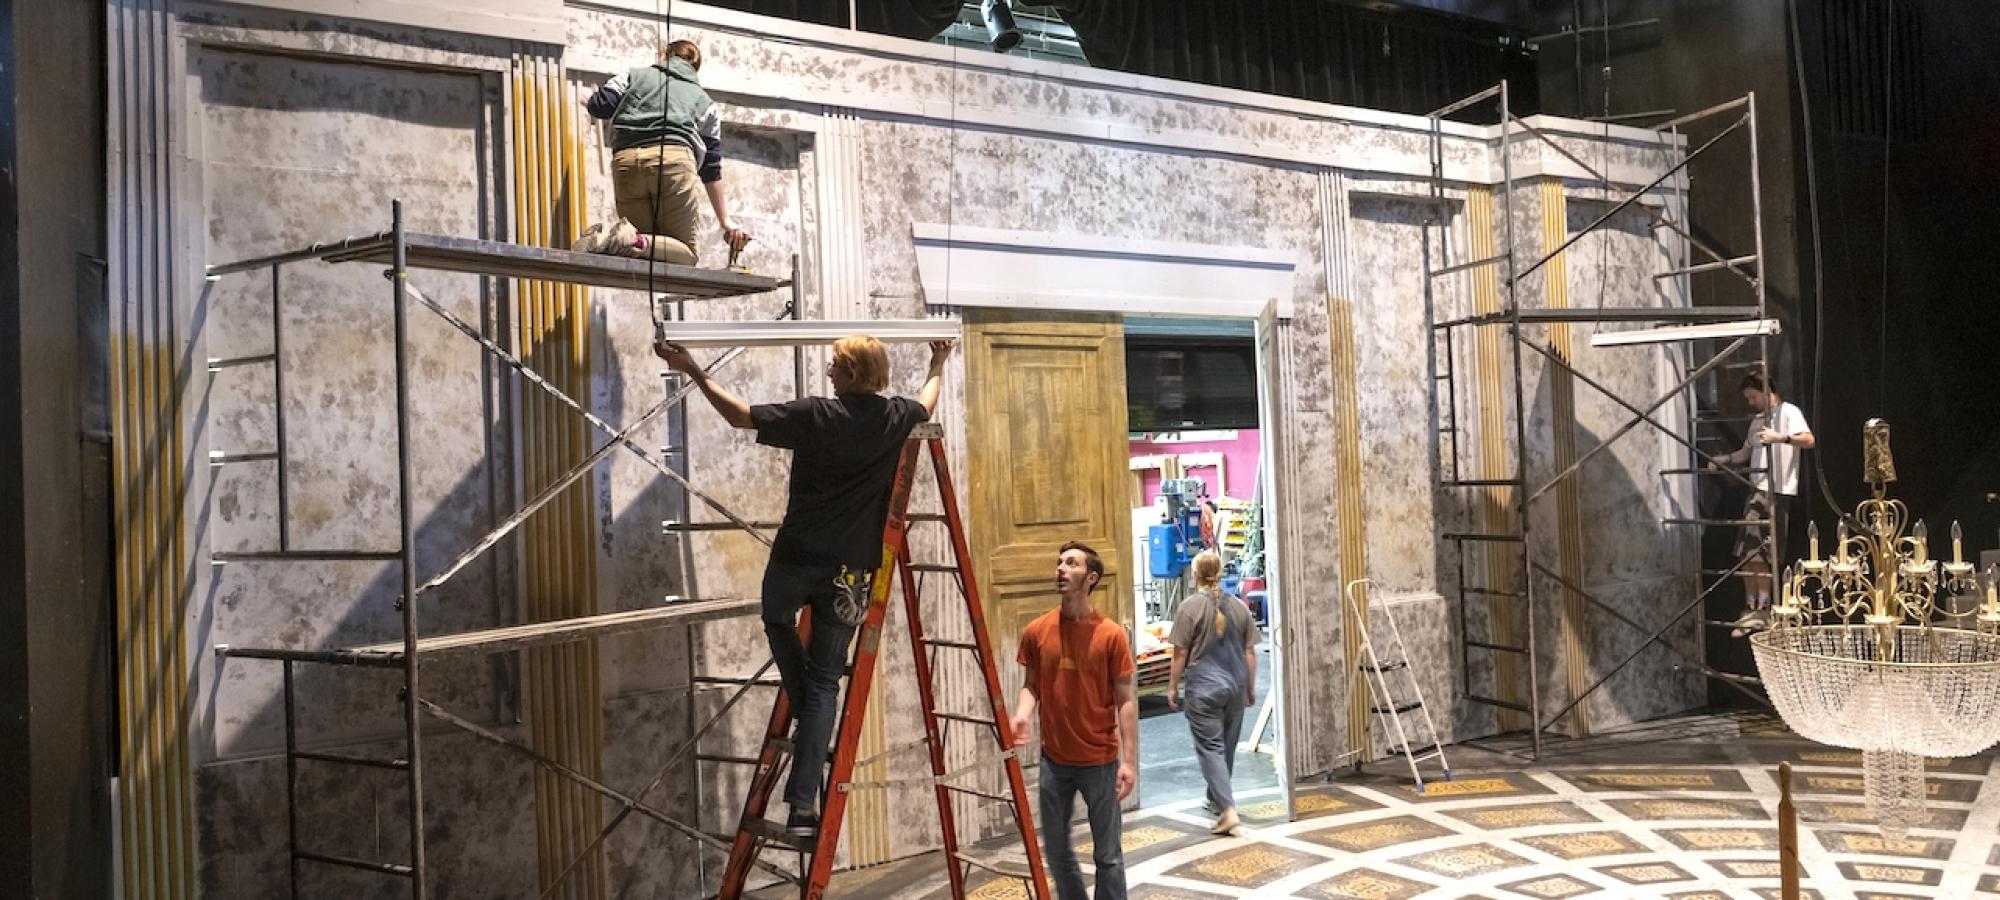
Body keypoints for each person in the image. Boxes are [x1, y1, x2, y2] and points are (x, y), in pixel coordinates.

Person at [656, 333, 955, 838]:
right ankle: (802, 805)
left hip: (798, 559)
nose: (827, 370)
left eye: (835, 364)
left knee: (777, 619)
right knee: (824, 684)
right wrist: (938, 362)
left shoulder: (817, 414)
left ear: (854, 374)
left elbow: (739, 415)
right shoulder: (895, 417)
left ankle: (803, 713)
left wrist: (694, 372)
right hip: (852, 572)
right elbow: (927, 401)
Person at [1010, 542, 1138, 900]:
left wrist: (1129, 762)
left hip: (1099, 760)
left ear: (1091, 577)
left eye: (1071, 563)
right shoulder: (1037, 631)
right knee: (1057, 852)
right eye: (1059, 563)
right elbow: (1031, 686)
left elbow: (1126, 701)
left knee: (1108, 856)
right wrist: (1022, 714)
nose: (1061, 569)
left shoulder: (1111, 635)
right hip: (1054, 761)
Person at [576, 39, 751, 265]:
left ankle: (597, 242)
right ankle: (622, 241)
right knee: (685, 253)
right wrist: (725, 220)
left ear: (663, 55)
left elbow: (602, 105)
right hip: (674, 165)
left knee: (641, 250)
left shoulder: (632, 75)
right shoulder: (705, 102)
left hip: (627, 163)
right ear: (695, 68)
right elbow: (711, 168)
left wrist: (589, 100)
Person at [1708, 372, 1814, 637]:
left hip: (1776, 491)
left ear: (1767, 390)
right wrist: (1724, 459)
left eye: (1753, 397)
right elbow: (1746, 452)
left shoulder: (1788, 412)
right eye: (1748, 399)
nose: (1751, 403)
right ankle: (1751, 607)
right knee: (1746, 552)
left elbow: (1808, 440)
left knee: (1761, 551)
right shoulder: (1757, 421)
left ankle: (1763, 609)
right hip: (1757, 490)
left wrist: (1781, 438)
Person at [1165, 550, 1260, 836]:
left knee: (1211, 748)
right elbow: (1250, 651)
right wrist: (1251, 687)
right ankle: (1215, 799)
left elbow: (1180, 653)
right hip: (1235, 686)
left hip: (1204, 689)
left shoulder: (1189, 608)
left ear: (1195, 575)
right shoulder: (1240, 607)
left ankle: (1228, 810)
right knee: (1226, 746)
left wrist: (1172, 686)